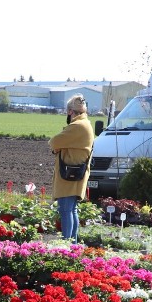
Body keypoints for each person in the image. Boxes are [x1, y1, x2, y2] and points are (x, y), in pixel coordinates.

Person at [49, 94, 94, 242]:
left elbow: (54, 142)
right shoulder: (85, 123)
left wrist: (61, 146)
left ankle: (67, 244)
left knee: (66, 210)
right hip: (77, 172)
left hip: (69, 174)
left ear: (70, 111)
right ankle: (73, 245)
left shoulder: (76, 126)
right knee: (71, 209)